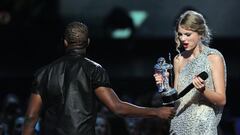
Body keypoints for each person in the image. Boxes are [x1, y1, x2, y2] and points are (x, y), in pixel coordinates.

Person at [22, 21, 175, 135]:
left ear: (65, 42)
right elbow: (117, 108)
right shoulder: (94, 70)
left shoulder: (43, 73)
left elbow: (30, 117)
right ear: (88, 42)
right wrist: (157, 112)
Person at [154, 10, 227, 135]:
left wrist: (203, 90)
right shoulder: (178, 60)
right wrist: (164, 85)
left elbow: (221, 100)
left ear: (200, 34)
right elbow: (176, 99)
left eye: (188, 34)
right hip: (179, 122)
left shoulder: (213, 58)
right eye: (180, 34)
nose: (183, 39)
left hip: (203, 124)